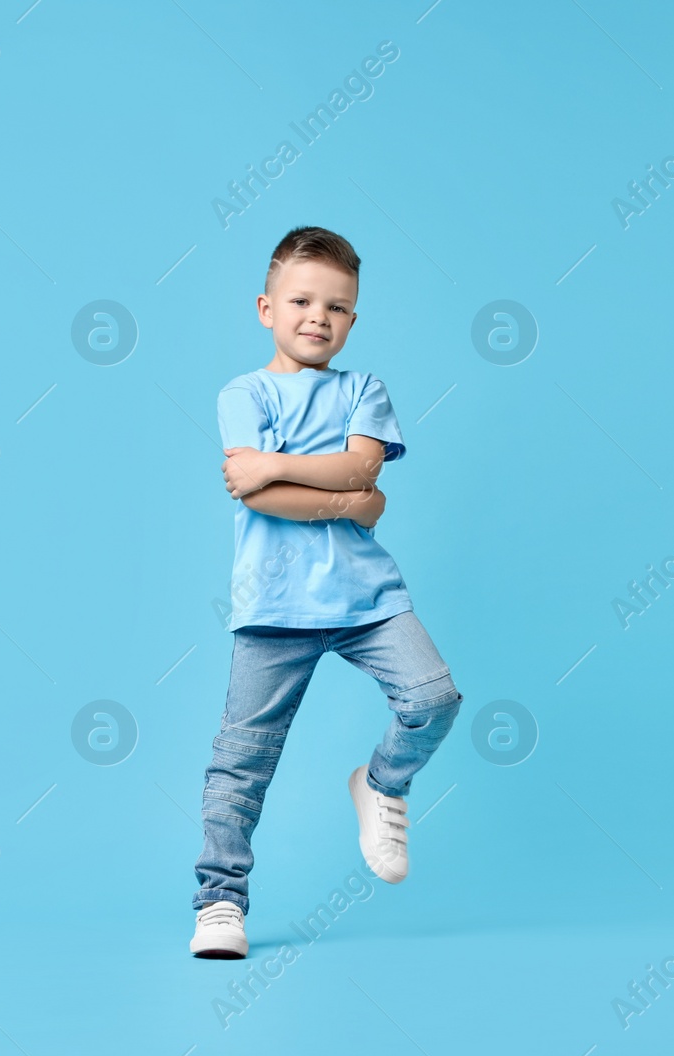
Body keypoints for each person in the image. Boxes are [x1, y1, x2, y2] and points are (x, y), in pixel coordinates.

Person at [189, 225, 464, 959]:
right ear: (265, 307)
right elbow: (269, 497)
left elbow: (352, 471)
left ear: (353, 318)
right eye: (302, 300)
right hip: (274, 605)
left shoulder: (364, 389)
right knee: (242, 758)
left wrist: (282, 470)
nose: (319, 317)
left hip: (368, 598)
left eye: (337, 307)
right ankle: (220, 898)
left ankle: (381, 784)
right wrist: (349, 496)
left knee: (434, 698)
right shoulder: (242, 393)